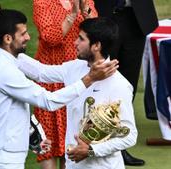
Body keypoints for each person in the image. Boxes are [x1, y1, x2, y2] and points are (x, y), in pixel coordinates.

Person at [0, 9, 118, 169]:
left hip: (2, 156)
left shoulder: (10, 58)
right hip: (1, 161)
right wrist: (89, 79)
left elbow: (41, 72)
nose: (28, 37)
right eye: (23, 34)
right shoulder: (5, 72)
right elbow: (48, 101)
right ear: (8, 39)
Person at [17, 17, 137, 169]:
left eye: (81, 39)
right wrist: (4, 50)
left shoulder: (120, 85)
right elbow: (41, 72)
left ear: (96, 46)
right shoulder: (75, 68)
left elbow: (129, 135)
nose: (75, 43)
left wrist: (92, 150)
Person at [32, 0, 97, 168]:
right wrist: (73, 15)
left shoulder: (86, 1)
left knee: (74, 135)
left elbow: (97, 31)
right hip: (50, 77)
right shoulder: (42, 2)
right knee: (48, 139)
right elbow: (51, 38)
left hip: (77, 77)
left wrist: (86, 12)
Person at [93, 0, 159, 166]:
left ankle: (118, 147)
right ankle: (96, 142)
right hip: (105, 15)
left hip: (136, 18)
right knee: (103, 81)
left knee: (128, 85)